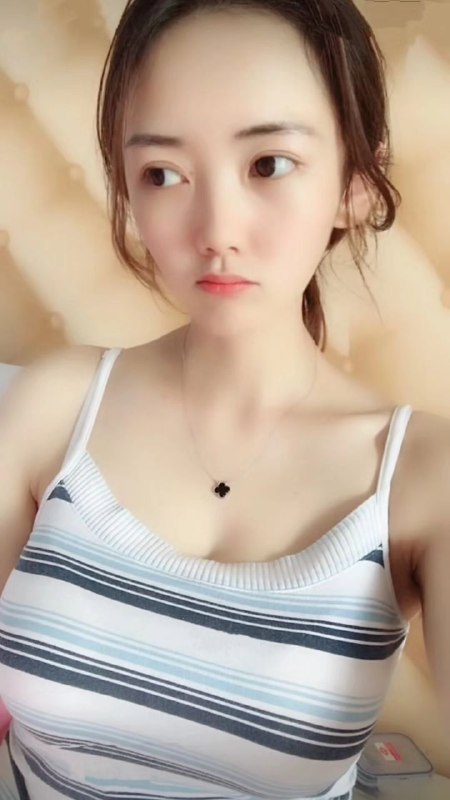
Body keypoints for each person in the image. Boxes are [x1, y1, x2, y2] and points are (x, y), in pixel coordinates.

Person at [0, 0, 449, 798]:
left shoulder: (421, 477)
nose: (216, 229)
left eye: (269, 164)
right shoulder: (52, 408)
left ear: (354, 182)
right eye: (162, 173)